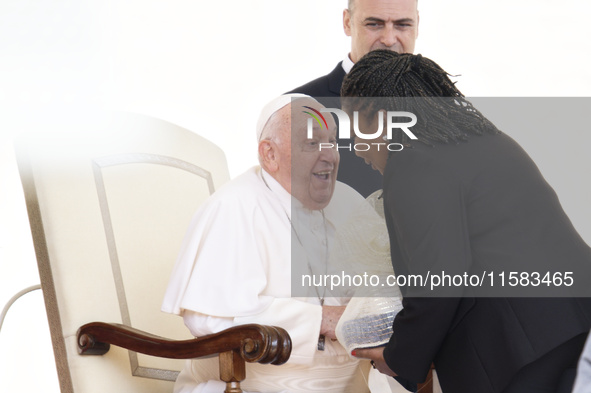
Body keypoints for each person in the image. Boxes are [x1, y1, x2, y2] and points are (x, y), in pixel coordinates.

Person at [340, 50, 591, 393]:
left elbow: (440, 279)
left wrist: (398, 357)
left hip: (519, 350)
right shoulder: (487, 139)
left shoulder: (413, 162)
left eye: (356, 126)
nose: (355, 146)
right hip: (571, 325)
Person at [161, 94, 372, 393]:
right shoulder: (232, 206)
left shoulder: (349, 200)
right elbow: (207, 318)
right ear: (269, 154)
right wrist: (320, 320)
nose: (330, 156)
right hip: (258, 385)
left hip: (354, 382)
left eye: (332, 142)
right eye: (312, 144)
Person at [287, 0, 419, 197]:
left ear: (417, 25)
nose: (389, 39)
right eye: (374, 24)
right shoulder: (296, 108)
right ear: (347, 22)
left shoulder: (444, 107)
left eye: (403, 25)